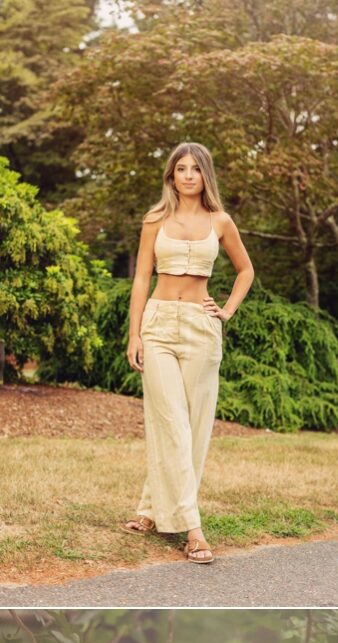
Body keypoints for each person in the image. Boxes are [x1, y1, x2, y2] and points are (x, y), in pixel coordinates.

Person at [124, 142, 253, 562]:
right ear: (171, 175)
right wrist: (135, 334)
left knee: (194, 427)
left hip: (201, 328)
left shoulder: (221, 221)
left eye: (195, 169)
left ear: (205, 176)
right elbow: (141, 278)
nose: (188, 175)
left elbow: (245, 270)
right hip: (158, 324)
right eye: (181, 169)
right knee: (171, 421)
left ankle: (148, 509)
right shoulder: (155, 220)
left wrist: (227, 311)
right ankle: (192, 529)